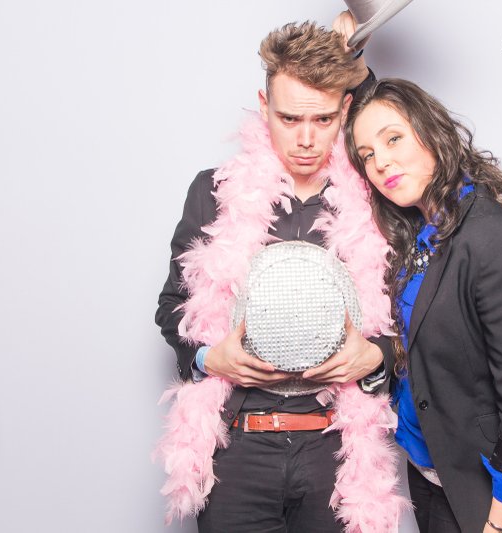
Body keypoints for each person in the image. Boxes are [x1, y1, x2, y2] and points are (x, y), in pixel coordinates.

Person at [154, 16, 408, 533]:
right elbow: (171, 308)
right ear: (264, 106)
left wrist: (377, 357)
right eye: (290, 118)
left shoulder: (379, 196)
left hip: (338, 450)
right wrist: (208, 357)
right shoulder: (214, 192)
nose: (306, 139)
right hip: (238, 449)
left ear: (345, 111)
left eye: (323, 119)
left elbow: (420, 314)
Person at [345, 78, 502, 533]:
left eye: (394, 139)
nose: (381, 162)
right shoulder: (420, 230)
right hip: (429, 471)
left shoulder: (493, 238)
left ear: (432, 131)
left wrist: (501, 525)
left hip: (483, 493)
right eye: (367, 155)